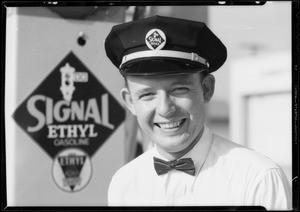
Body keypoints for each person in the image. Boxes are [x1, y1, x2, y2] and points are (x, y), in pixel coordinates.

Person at [104, 15, 292, 209]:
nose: (165, 109)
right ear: (130, 102)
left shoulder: (258, 179)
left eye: (179, 90)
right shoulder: (123, 184)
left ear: (207, 89)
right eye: (147, 95)